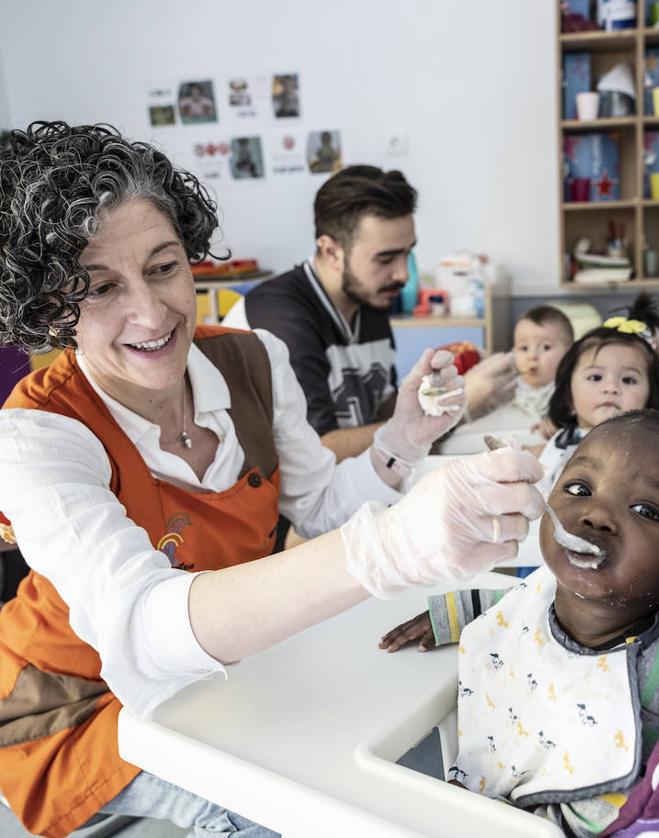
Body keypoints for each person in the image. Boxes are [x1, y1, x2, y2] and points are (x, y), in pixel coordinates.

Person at [0, 122, 545, 838]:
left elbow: (319, 507)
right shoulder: (35, 437)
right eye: (100, 288)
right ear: (52, 309)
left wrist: (400, 439)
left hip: (230, 672)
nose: (150, 312)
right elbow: (140, 628)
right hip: (78, 710)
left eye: (164, 268)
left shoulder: (253, 360)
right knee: (290, 813)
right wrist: (387, 548)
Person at [380, 410, 659, 836]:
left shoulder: (636, 703)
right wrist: (450, 616)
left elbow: (602, 811)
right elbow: (517, 603)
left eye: (646, 510)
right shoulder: (554, 588)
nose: (596, 514)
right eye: (579, 488)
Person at [223, 165, 518, 462]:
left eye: (407, 253)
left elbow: (378, 411)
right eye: (386, 258)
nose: (403, 274)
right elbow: (318, 454)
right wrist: (456, 412)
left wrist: (435, 396)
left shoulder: (368, 299)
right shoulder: (282, 322)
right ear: (331, 252)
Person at [534, 294, 659, 496]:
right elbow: (549, 461)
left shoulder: (641, 451)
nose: (611, 387)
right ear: (569, 398)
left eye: (628, 380)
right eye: (596, 377)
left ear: (651, 400)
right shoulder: (565, 436)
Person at [510, 305, 573, 431]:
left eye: (546, 347)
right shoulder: (508, 389)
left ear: (570, 353)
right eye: (524, 348)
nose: (532, 356)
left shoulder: (570, 393)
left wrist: (558, 422)